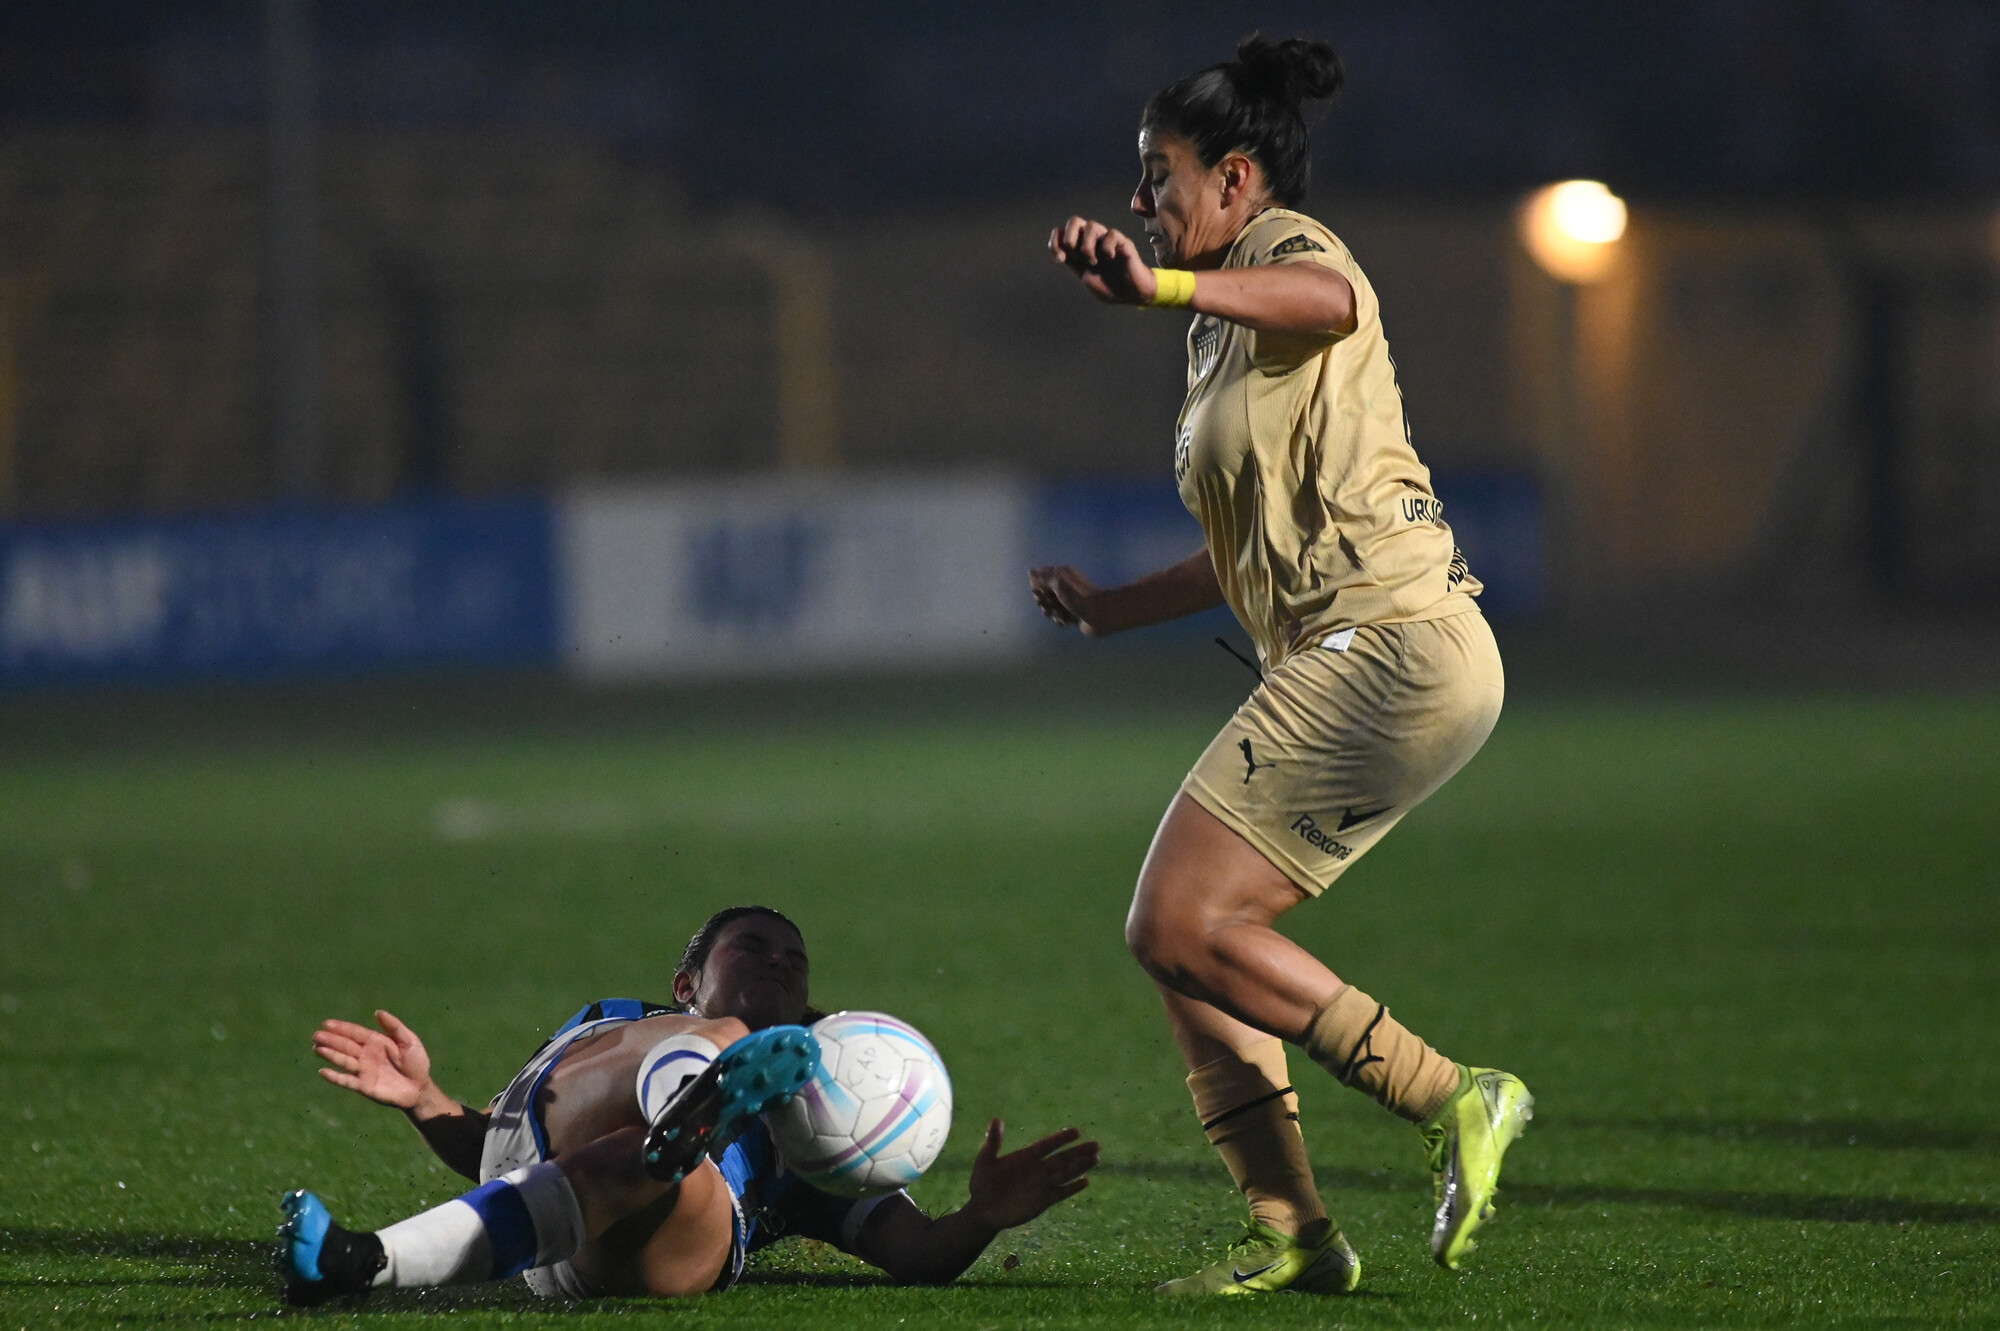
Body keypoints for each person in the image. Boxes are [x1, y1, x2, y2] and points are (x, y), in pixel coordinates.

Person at [1034, 34, 1532, 1296]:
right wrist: (1110, 610)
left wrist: (1159, 287)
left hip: (1388, 641)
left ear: (1234, 178)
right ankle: (1294, 1232)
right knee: (1187, 940)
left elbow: (1332, 299)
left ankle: (1453, 1093)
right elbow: (1243, 544)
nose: (1140, 196)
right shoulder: (1217, 326)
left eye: (1157, 172)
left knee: (1173, 919)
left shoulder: (1284, 249)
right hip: (1373, 646)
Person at [278, 905, 1098, 1304]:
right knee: (674, 1101)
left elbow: (915, 1254)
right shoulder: (610, 1018)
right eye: (753, 947)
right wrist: (425, 1098)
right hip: (542, 1186)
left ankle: (682, 1133)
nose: (780, 962)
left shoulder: (819, 1119)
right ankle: (358, 1259)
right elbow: (492, 1150)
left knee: (675, 1168)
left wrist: (982, 1216)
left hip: (656, 1246)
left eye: (796, 960)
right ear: (685, 981)